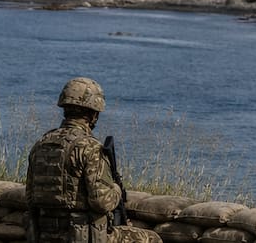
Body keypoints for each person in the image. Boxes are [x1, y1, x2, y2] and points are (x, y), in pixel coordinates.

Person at [26, 78, 159, 243]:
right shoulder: (90, 147)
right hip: (83, 236)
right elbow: (101, 202)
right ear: (93, 114)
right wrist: (117, 190)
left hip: (45, 235)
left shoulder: (40, 145)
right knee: (151, 238)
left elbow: (30, 199)